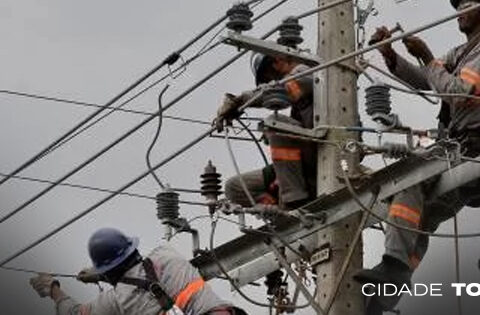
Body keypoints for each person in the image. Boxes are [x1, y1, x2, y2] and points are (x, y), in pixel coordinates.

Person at [355, 0, 480, 312]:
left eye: (467, 3)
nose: (459, 10)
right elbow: (427, 81)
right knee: (420, 215)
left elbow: (458, 94)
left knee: (411, 177)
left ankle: (393, 267)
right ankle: (390, 287)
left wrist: (426, 56)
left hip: (475, 145)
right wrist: (390, 54)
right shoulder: (461, 53)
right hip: (462, 149)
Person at [30, 228, 247, 315]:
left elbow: (75, 313)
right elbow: (142, 272)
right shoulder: (166, 253)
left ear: (108, 271)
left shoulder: (118, 299)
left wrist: (53, 289)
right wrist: (101, 273)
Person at [216, 52, 317, 210]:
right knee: (234, 188)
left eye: (270, 77)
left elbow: (282, 91)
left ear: (278, 60)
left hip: (324, 151)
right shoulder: (299, 92)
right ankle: (276, 211)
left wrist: (241, 100)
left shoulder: (310, 72)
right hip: (302, 162)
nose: (271, 82)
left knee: (276, 122)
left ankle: (294, 200)